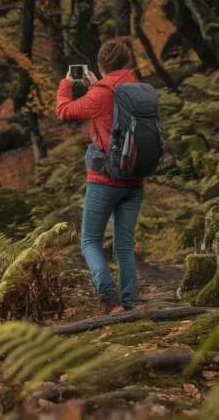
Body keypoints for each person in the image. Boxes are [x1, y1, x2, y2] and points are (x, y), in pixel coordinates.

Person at [56, 38, 145, 316]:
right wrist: (97, 85)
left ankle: (108, 297)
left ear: (100, 63)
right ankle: (128, 301)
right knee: (124, 244)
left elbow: (65, 112)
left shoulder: (101, 93)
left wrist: (66, 84)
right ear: (128, 61)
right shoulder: (139, 89)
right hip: (135, 178)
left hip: (105, 179)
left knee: (90, 241)